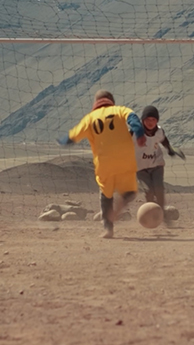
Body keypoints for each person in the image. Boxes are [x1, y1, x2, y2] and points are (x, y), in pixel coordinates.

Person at [60, 90, 146, 238]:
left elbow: (73, 136)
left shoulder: (90, 118)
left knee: (105, 194)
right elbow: (133, 119)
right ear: (111, 101)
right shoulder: (120, 110)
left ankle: (108, 227)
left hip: (104, 164)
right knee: (130, 192)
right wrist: (139, 134)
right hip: (125, 160)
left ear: (96, 103)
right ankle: (118, 210)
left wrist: (62, 141)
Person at [135, 105, 185, 225]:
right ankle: (150, 216)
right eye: (147, 120)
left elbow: (164, 140)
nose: (150, 122)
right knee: (149, 191)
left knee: (159, 189)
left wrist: (170, 149)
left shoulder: (159, 131)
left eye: (153, 120)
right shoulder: (135, 132)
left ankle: (162, 215)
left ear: (157, 121)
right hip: (140, 168)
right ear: (143, 120)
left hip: (157, 165)